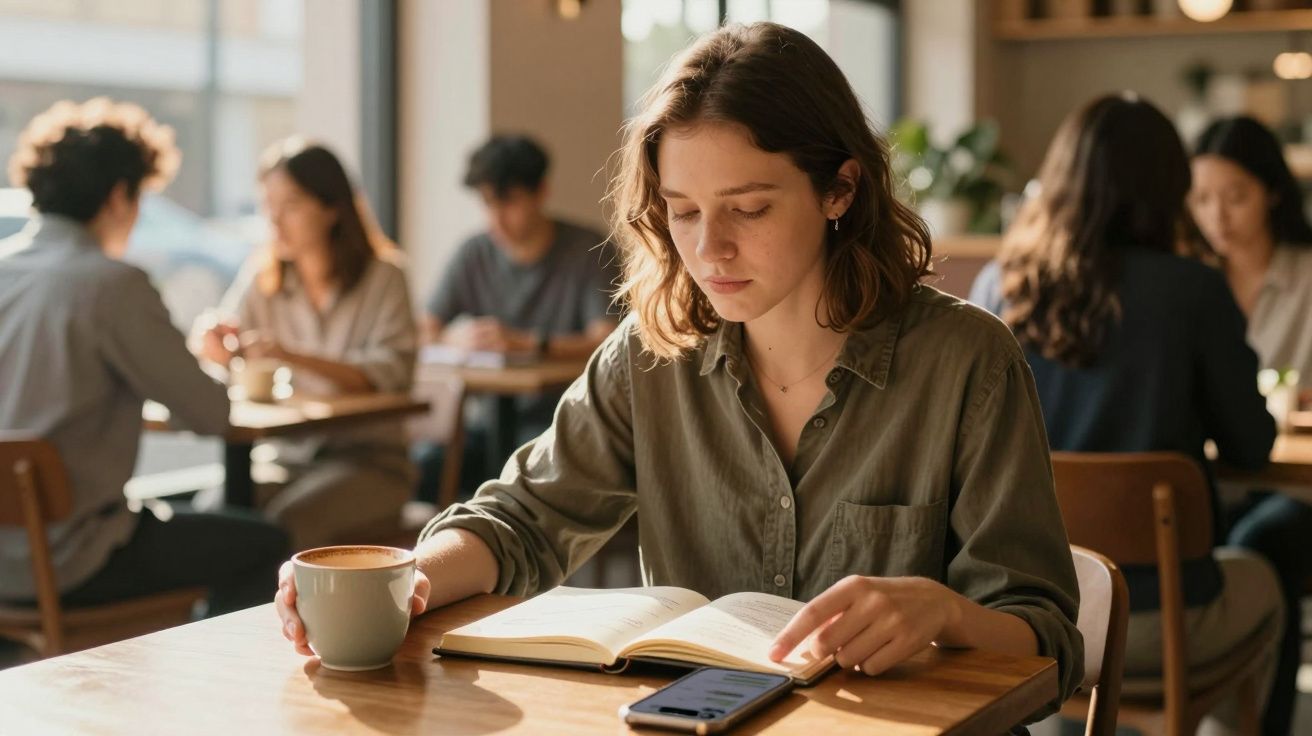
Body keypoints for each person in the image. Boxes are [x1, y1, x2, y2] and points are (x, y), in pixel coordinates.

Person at [278, 22, 1082, 719]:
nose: (709, 249)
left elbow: (1047, 638)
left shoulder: (965, 361)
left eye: (750, 208)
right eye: (684, 211)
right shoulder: (652, 353)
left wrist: (944, 612)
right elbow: (521, 520)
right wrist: (407, 579)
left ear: (840, 188)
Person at [970, 94, 1284, 733]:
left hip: (1020, 622)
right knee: (1267, 578)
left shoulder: (997, 288)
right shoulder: (1192, 290)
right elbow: (1252, 446)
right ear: (1170, 186)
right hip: (1160, 620)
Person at [0, 98, 287, 615]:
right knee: (263, 546)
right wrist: (215, 366)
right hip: (69, 559)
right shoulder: (112, 285)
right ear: (118, 196)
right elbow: (211, 413)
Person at [197, 138, 417, 552]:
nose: (276, 222)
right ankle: (225, 618)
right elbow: (223, 351)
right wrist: (215, 345)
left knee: (289, 526)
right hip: (286, 459)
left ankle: (285, 618)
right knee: (214, 512)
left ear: (333, 208)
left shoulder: (384, 276)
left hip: (371, 465)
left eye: (292, 206)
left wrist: (291, 356)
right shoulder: (263, 276)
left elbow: (393, 374)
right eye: (268, 206)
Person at [1189, 115, 1312, 736]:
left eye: (1235, 196)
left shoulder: (1308, 276)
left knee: (1269, 536)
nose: (1218, 216)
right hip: (1215, 484)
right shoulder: (1189, 284)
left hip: (1296, 489)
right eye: (1202, 197)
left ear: (1273, 192)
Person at [414, 135, 620, 502]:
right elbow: (423, 330)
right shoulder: (475, 253)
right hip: (487, 421)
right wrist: (455, 340)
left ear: (541, 192)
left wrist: (527, 344)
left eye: (508, 203)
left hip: (566, 421)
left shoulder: (588, 249)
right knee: (425, 469)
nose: (496, 219)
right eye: (488, 204)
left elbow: (608, 341)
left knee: (523, 474)